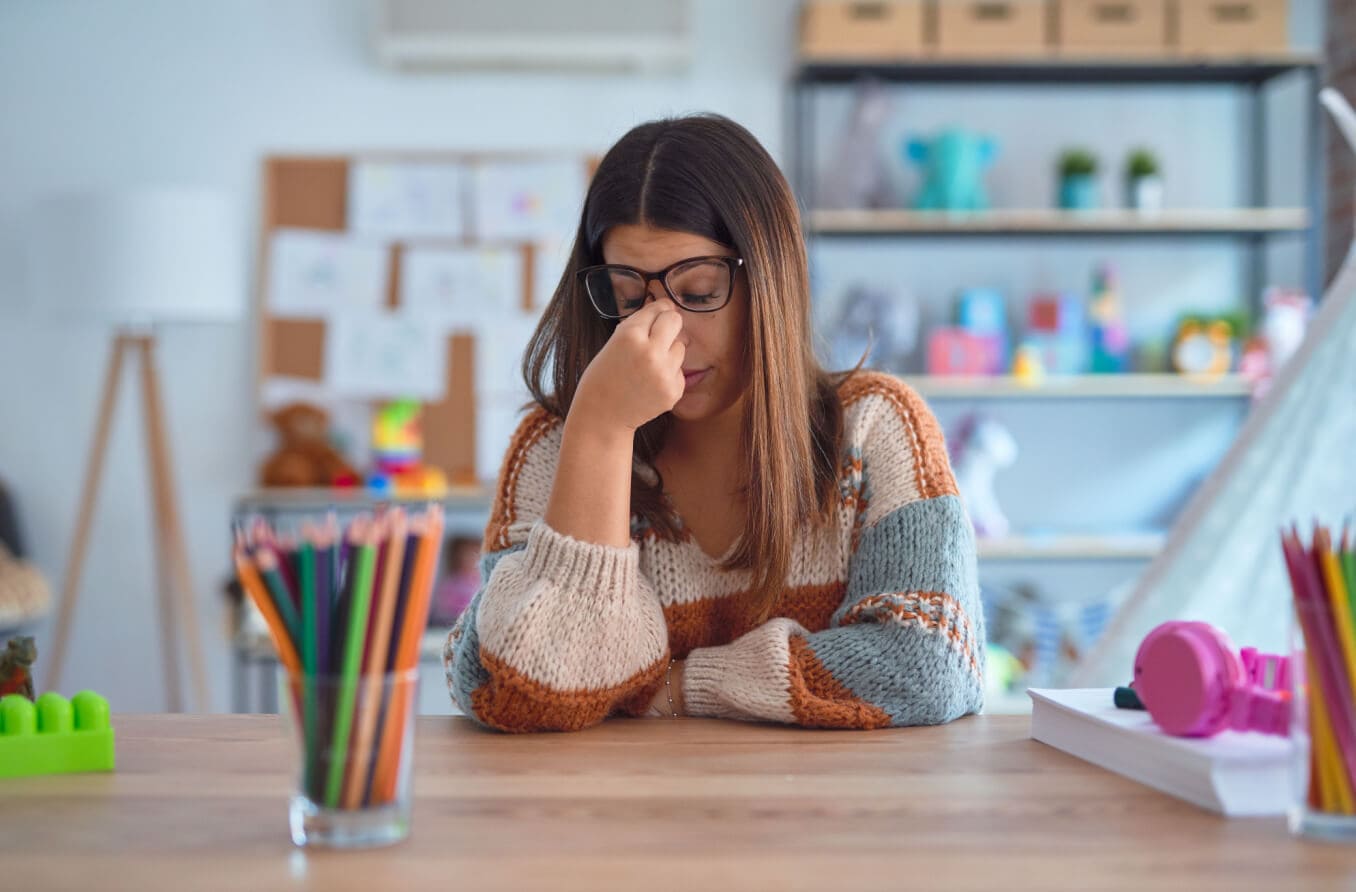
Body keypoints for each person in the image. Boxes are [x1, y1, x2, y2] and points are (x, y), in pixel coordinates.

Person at [443, 113, 984, 732]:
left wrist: (672, 686)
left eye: (698, 293)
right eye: (628, 298)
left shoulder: (875, 425)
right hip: (622, 821)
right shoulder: (558, 445)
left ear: (771, 280)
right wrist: (601, 432)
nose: (659, 333)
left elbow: (930, 663)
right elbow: (509, 689)